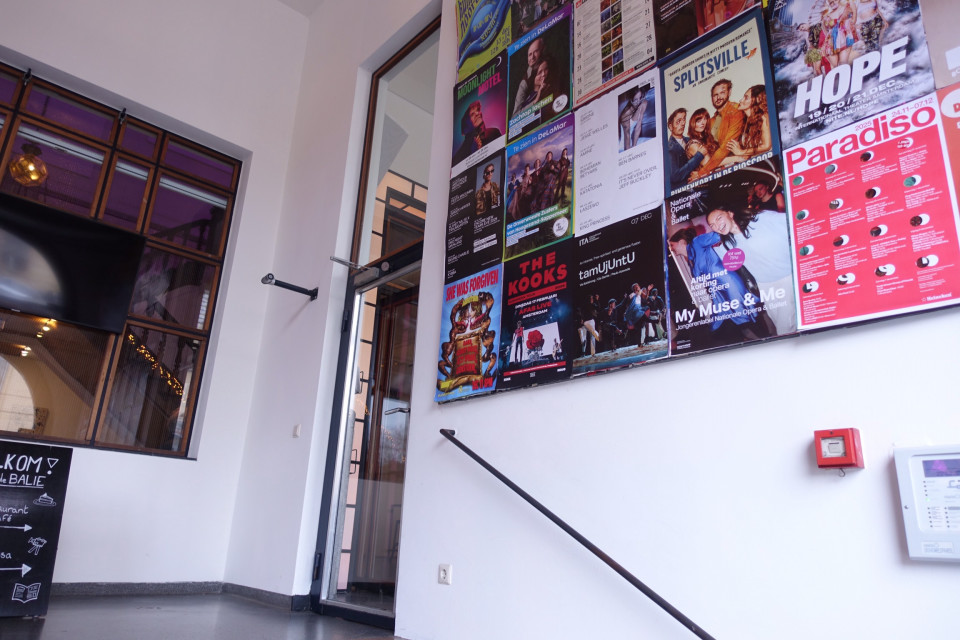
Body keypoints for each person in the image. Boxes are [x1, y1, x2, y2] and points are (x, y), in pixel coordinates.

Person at [706, 206, 796, 334]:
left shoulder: (760, 219)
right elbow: (708, 260)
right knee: (780, 323)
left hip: (787, 279)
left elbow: (794, 221)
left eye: (719, 218)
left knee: (784, 328)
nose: (717, 226)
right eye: (712, 225)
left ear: (730, 213)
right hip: (765, 287)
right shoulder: (728, 245)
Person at [668, 226, 762, 338]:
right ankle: (755, 338)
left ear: (681, 242)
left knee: (742, 312)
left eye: (672, 245)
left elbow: (718, 234)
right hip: (717, 290)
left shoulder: (697, 242)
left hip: (728, 282)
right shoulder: (689, 258)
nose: (671, 249)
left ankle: (764, 337)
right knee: (731, 318)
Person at [693, 79, 745, 178]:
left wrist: (702, 172)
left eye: (722, 93)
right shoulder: (712, 119)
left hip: (738, 165)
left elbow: (726, 147)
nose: (718, 97)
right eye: (715, 95)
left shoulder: (735, 111)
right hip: (720, 167)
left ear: (729, 92)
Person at [721, 85, 772, 167]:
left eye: (746, 98)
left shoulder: (763, 117)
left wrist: (741, 152)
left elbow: (767, 146)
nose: (740, 100)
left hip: (768, 163)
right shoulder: (744, 121)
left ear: (756, 100)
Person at [453, 101, 502, 166]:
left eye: (478, 110)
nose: (477, 113)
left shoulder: (494, 132)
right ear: (466, 124)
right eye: (472, 114)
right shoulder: (462, 152)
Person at [667, 108, 705, 190]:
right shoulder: (669, 149)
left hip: (699, 184)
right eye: (678, 121)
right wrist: (698, 156)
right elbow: (675, 176)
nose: (683, 123)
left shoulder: (690, 140)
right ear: (670, 126)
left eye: (684, 119)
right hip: (685, 192)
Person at [513, 37, 545, 113]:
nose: (532, 57)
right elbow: (515, 115)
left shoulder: (551, 66)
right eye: (530, 54)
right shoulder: (524, 83)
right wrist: (535, 101)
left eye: (536, 51)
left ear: (543, 51)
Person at [618, 86, 651, 151]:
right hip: (623, 146)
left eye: (640, 97)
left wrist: (634, 146)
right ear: (631, 99)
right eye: (636, 99)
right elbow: (627, 135)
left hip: (633, 140)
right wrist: (630, 152)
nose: (638, 102)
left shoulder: (643, 103)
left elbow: (638, 127)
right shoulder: (626, 113)